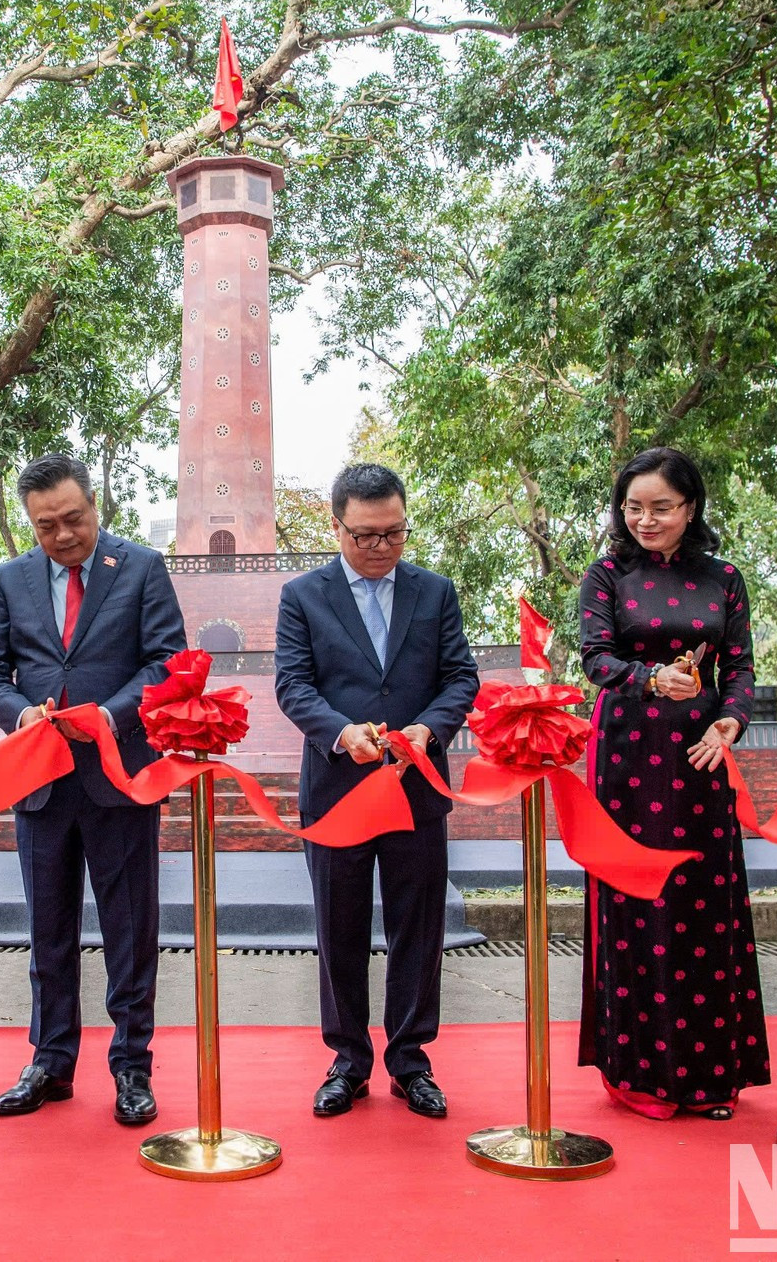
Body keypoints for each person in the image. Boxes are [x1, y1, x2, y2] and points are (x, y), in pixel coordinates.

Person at [0, 454, 186, 1126]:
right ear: (29, 525)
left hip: (118, 779)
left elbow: (166, 662)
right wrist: (19, 712)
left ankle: (131, 1067)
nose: (62, 535)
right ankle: (50, 1062)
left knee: (129, 931)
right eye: (45, 526)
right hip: (40, 782)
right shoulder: (10, 579)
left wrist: (109, 716)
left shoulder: (143, 568)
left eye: (73, 519)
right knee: (48, 932)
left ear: (96, 505)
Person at [274, 463, 480, 1118]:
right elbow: (294, 686)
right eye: (365, 535)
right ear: (336, 527)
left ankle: (411, 1059)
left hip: (415, 784)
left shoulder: (435, 592)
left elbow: (460, 678)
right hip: (338, 787)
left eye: (394, 533)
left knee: (419, 926)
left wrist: (430, 728)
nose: (381, 547)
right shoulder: (302, 596)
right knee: (338, 926)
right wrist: (340, 732)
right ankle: (348, 1059)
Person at [576, 446, 767, 1120]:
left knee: (703, 904)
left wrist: (729, 726)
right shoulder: (606, 575)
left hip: (701, 757)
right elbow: (595, 657)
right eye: (633, 508)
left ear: (691, 508)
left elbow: (740, 670)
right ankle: (642, 1075)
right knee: (637, 902)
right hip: (628, 754)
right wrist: (650, 678)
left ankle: (714, 1076)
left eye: (660, 507)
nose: (645, 520)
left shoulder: (725, 577)